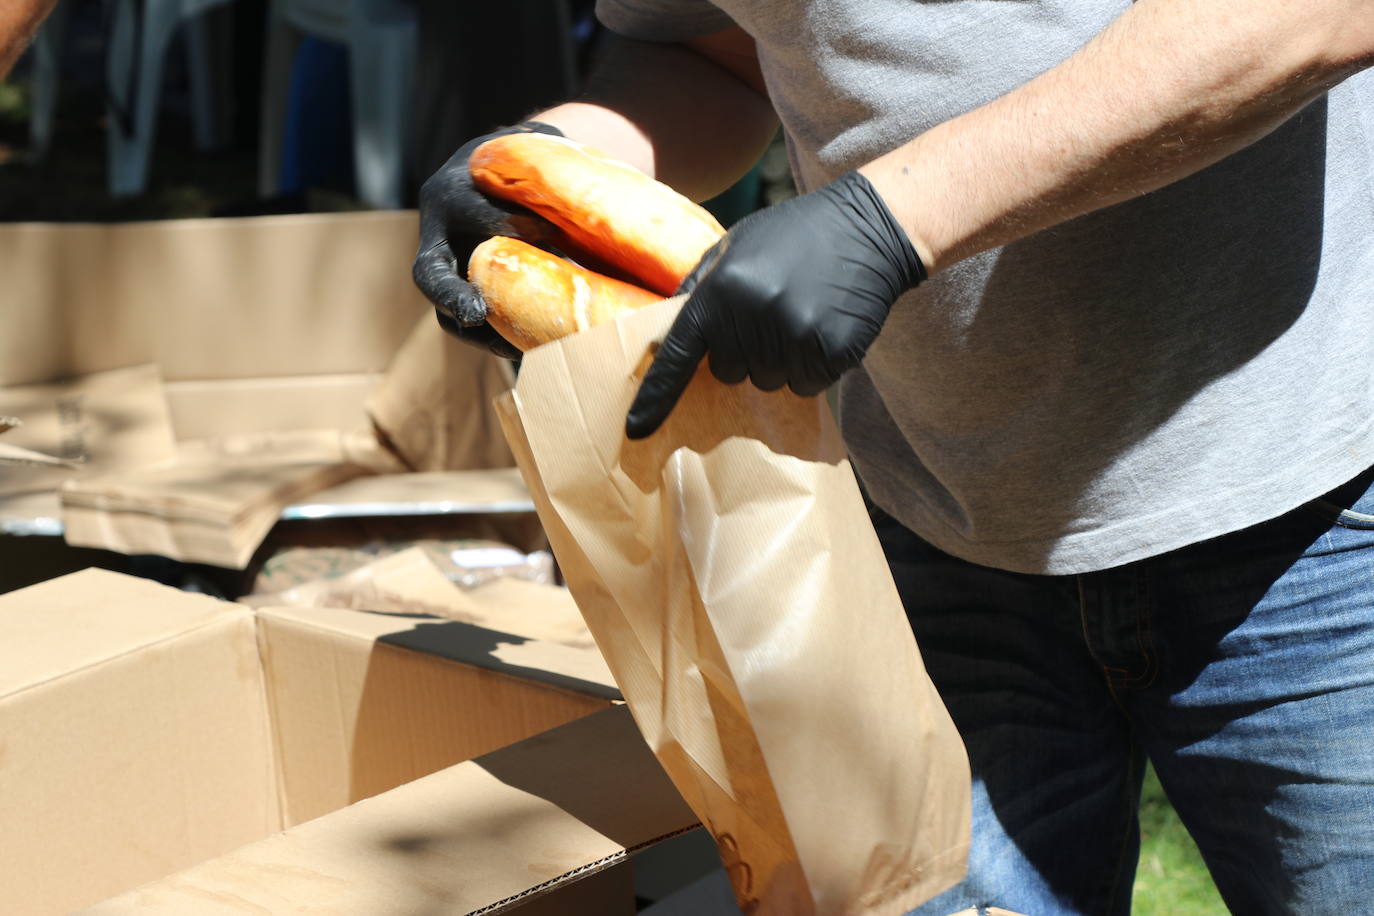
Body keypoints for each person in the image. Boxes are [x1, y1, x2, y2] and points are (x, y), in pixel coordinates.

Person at [413, 2, 1374, 913]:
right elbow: (707, 49)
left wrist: (892, 219)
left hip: (1311, 511)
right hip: (926, 517)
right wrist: (559, 156)